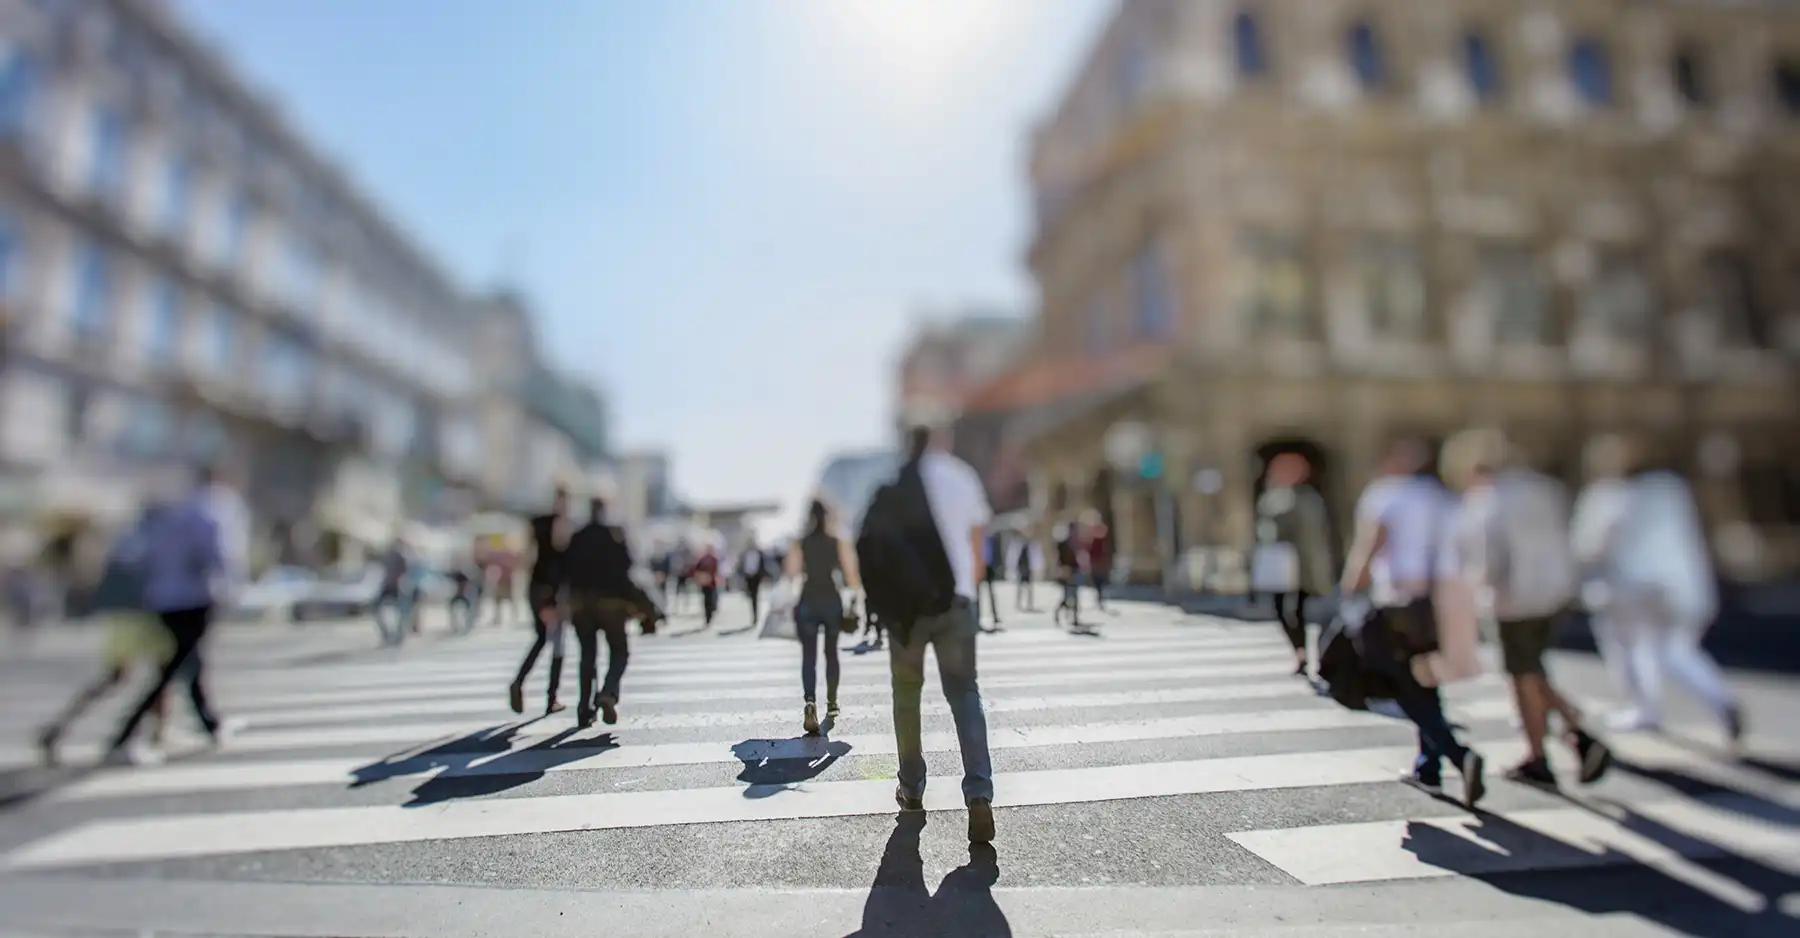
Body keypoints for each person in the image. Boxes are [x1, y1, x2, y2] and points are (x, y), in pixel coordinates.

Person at [1442, 429, 1611, 787]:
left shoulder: (1488, 500)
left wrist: (1469, 598)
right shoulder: (1543, 488)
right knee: (1531, 669)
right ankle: (1574, 734)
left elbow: (1485, 559)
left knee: (1522, 675)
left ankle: (1545, 752)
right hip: (1555, 593)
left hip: (1515, 598)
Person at [1340, 436, 1487, 809]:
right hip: (1439, 599)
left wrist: (1349, 587)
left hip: (1397, 599)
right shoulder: (1442, 496)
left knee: (1400, 680)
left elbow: (1372, 541)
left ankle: (1456, 753)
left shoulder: (1386, 493)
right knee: (1422, 677)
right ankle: (1429, 767)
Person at [866, 425, 996, 844]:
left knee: (906, 694)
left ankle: (912, 788)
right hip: (955, 605)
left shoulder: (891, 484)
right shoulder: (961, 476)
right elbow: (978, 547)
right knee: (964, 694)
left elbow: (873, 550)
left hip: (906, 612)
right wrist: (965, 590)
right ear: (942, 437)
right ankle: (978, 795)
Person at [1574, 434, 1743, 740]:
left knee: (1624, 648)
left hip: (1625, 589)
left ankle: (1644, 708)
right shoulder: (1668, 489)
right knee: (1673, 649)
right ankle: (1719, 700)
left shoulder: (1607, 497)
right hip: (1675, 585)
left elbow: (1590, 545)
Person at [104, 466, 232, 765]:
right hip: (192, 598)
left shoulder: (168, 518)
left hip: (164, 600)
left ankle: (209, 723)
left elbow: (142, 559)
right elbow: (213, 556)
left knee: (188, 663)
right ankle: (123, 736)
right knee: (175, 667)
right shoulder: (206, 513)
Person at [38, 506, 176, 765]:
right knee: (152, 674)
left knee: (145, 674)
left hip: (125, 614)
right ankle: (157, 735)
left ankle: (159, 732)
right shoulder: (149, 540)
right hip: (138, 615)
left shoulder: (130, 540)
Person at [785, 499, 863, 735]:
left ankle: (810, 701)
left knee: (808, 655)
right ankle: (832, 703)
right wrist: (855, 596)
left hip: (808, 599)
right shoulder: (837, 541)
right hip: (831, 600)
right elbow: (851, 576)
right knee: (831, 654)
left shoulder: (801, 542)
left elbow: (791, 572)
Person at [1253, 453, 1334, 677]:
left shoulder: (1306, 499)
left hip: (1300, 566)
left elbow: (1313, 537)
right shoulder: (1272, 496)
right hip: (1280, 565)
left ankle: (1306, 653)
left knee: (1299, 611)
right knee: (1282, 609)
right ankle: (1300, 651)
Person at [564, 497, 639, 728]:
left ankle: (584, 707)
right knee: (619, 652)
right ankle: (608, 692)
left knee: (587, 655)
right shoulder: (614, 534)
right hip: (611, 603)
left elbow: (566, 569)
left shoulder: (577, 537)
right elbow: (627, 567)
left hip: (581, 605)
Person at [510, 487, 571, 716]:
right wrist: (549, 599)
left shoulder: (536, 523)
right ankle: (549, 697)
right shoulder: (559, 525)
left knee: (543, 639)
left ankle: (521, 683)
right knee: (557, 643)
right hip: (550, 592)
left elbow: (526, 558)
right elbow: (557, 564)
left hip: (535, 588)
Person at [373, 537, 414, 647]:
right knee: (400, 611)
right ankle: (392, 635)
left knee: (402, 611)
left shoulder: (400, 556)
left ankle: (396, 635)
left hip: (396, 586)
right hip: (390, 585)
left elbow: (405, 572)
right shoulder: (391, 556)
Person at [690, 544, 721, 626]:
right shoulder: (702, 560)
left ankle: (711, 612)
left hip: (712, 582)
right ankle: (707, 616)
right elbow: (696, 570)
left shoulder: (714, 559)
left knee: (712, 598)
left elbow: (716, 570)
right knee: (706, 599)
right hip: (704, 583)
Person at [740, 542, 769, 627]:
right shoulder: (745, 554)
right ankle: (754, 612)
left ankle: (755, 616)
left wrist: (763, 575)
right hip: (748, 576)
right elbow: (742, 564)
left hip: (756, 576)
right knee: (750, 595)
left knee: (754, 596)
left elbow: (763, 565)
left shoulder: (759, 554)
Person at [1011, 531, 1041, 613]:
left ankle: (1029, 604)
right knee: (1019, 587)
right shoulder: (1017, 544)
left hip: (1029, 568)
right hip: (1020, 568)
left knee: (1029, 588)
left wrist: (1037, 568)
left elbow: (1037, 556)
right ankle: (1019, 603)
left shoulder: (1033, 544)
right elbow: (1013, 556)